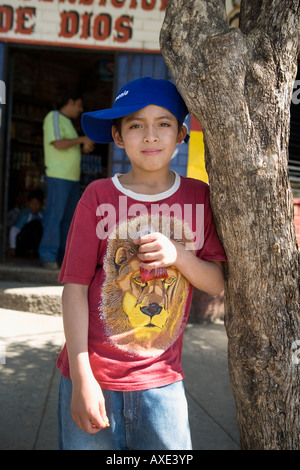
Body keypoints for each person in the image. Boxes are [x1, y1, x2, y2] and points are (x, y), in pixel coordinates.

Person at [56, 77, 227, 450]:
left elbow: (217, 283)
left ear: (181, 134)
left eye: (163, 123)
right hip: (91, 376)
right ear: (117, 136)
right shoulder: (97, 196)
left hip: (162, 381)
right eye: (136, 125)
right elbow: (74, 288)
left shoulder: (200, 197)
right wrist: (82, 377)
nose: (150, 136)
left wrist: (178, 256)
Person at [39, 91, 94, 270]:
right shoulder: (54, 116)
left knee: (68, 220)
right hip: (58, 176)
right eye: (78, 105)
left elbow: (68, 145)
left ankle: (63, 259)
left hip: (71, 178)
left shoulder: (68, 123)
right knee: (54, 216)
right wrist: (81, 139)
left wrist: (82, 145)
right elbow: (58, 143)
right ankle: (48, 256)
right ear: (69, 102)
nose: (80, 110)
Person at [9, 188, 44, 258]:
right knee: (34, 225)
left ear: (41, 205)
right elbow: (14, 230)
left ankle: (33, 252)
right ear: (28, 203)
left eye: (37, 203)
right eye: (32, 203)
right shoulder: (25, 215)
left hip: (36, 243)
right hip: (22, 242)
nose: (34, 206)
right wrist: (12, 248)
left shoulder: (42, 214)